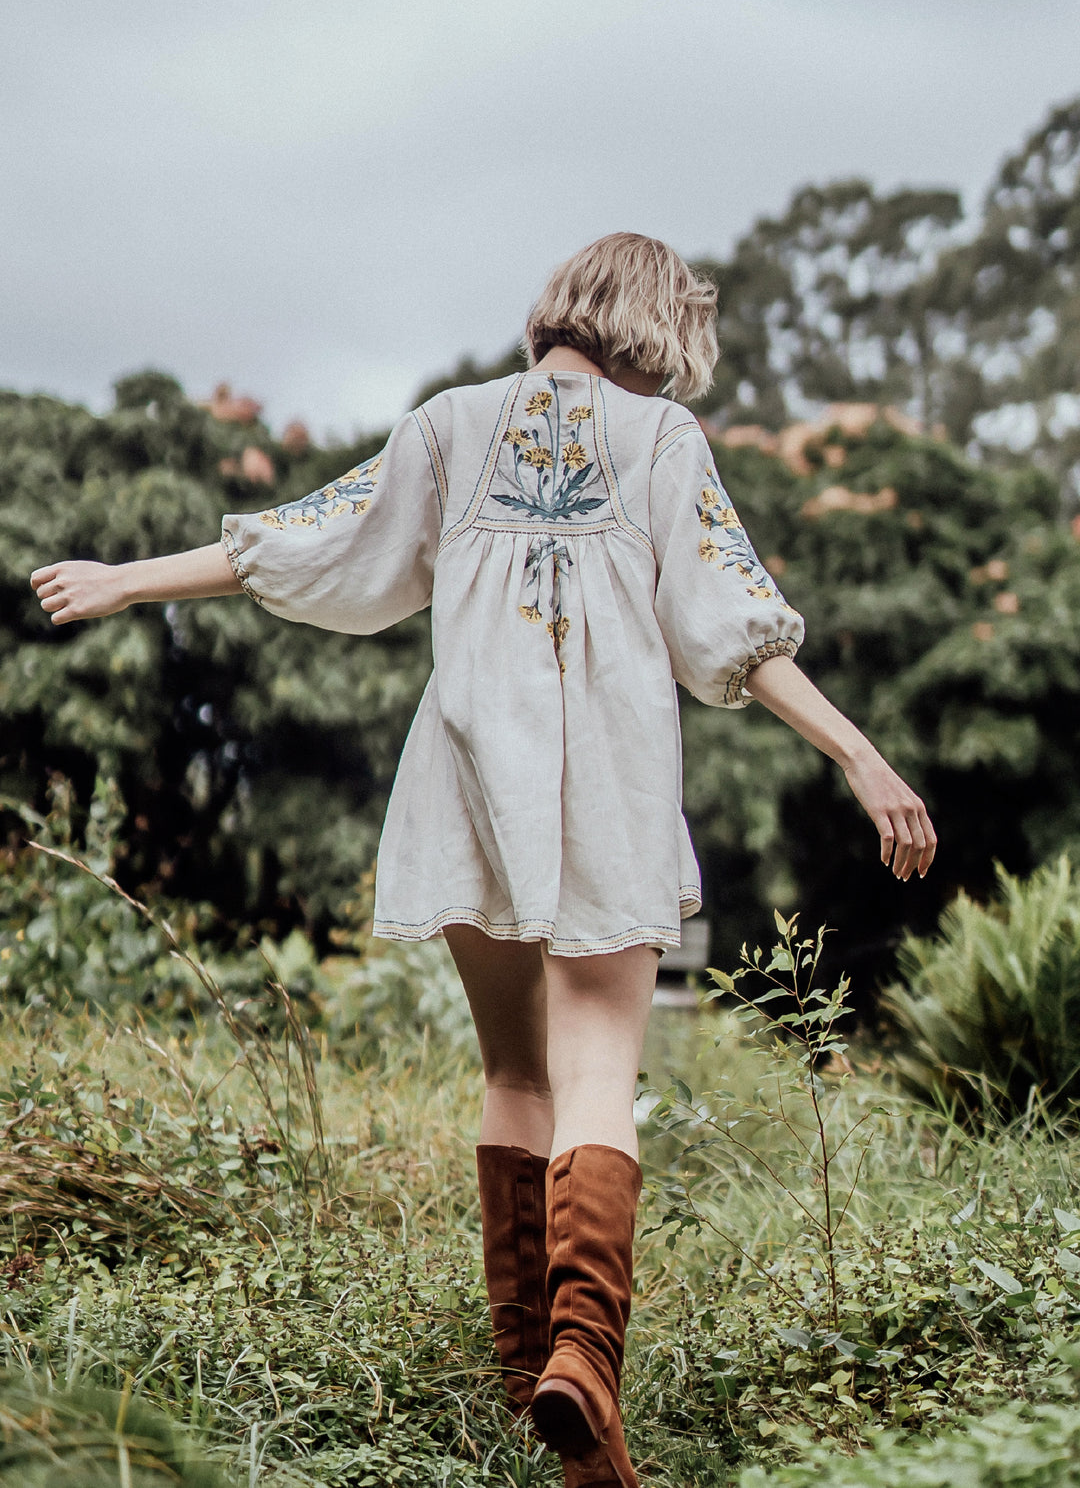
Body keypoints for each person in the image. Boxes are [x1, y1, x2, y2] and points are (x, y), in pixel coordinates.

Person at [31, 233, 936, 1488]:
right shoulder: (664, 444)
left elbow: (309, 544)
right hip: (607, 781)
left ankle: (544, 1398)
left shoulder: (450, 427)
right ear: (658, 331)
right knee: (599, 1069)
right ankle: (581, 1360)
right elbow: (734, 628)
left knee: (516, 1074)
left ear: (559, 312)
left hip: (465, 779)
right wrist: (860, 755)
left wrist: (130, 580)